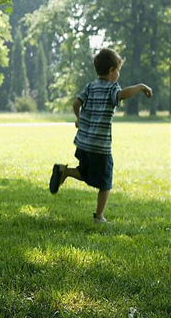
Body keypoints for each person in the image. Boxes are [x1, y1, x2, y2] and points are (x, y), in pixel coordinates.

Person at [49, 48, 152, 223]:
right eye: (118, 70)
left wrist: (79, 119)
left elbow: (76, 103)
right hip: (99, 146)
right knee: (105, 181)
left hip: (83, 143)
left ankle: (63, 171)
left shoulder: (90, 86)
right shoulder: (112, 88)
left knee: (86, 171)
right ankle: (99, 216)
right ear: (112, 70)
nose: (118, 74)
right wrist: (141, 87)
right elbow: (123, 94)